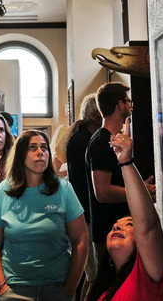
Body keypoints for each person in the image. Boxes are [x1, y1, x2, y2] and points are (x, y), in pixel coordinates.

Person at [0, 130, 88, 300]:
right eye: (32, 148)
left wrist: (70, 287)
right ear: (20, 155)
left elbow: (80, 238)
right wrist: (0, 286)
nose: (40, 152)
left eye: (44, 148)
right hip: (14, 289)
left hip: (56, 287)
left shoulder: (63, 188)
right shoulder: (4, 190)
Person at [88, 129, 163, 300]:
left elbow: (148, 226)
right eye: (116, 226)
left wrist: (126, 163)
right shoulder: (105, 289)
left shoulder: (151, 273)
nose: (117, 226)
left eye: (129, 224)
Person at [86, 83, 155, 276]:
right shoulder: (101, 142)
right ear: (120, 105)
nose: (131, 106)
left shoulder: (112, 139)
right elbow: (103, 192)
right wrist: (141, 192)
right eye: (128, 101)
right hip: (109, 230)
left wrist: (140, 187)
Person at [66, 93, 103, 299]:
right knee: (93, 274)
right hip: (85, 213)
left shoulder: (82, 138)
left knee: (94, 274)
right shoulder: (82, 141)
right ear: (93, 114)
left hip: (87, 211)